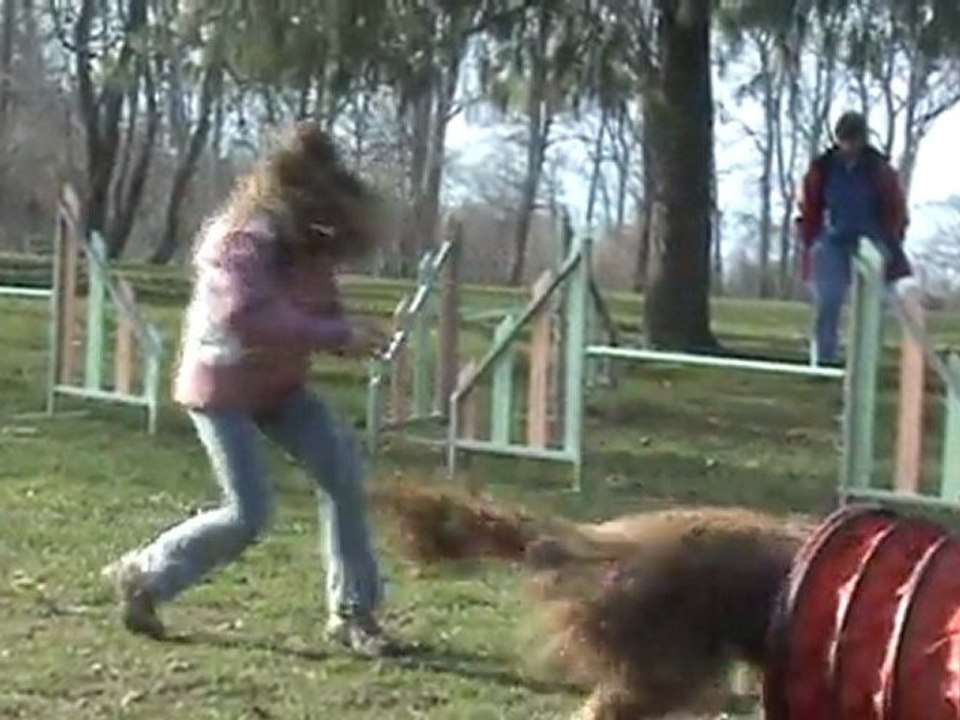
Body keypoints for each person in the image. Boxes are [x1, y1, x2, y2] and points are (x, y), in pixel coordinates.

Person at [102, 121, 400, 657]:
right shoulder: (241, 240)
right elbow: (246, 317)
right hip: (223, 390)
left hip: (280, 388)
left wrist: (355, 335)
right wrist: (336, 334)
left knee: (344, 476)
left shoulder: (309, 242)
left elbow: (315, 310)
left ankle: (355, 613)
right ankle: (146, 573)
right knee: (248, 512)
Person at [797, 111, 912, 366]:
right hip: (832, 241)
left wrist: (891, 241)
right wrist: (811, 240)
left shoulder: (879, 169)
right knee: (828, 299)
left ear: (863, 140)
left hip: (872, 241)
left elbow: (895, 208)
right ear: (838, 139)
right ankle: (824, 357)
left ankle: (865, 360)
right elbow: (810, 206)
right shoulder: (823, 168)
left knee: (874, 304)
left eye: (854, 140)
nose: (849, 146)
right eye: (844, 140)